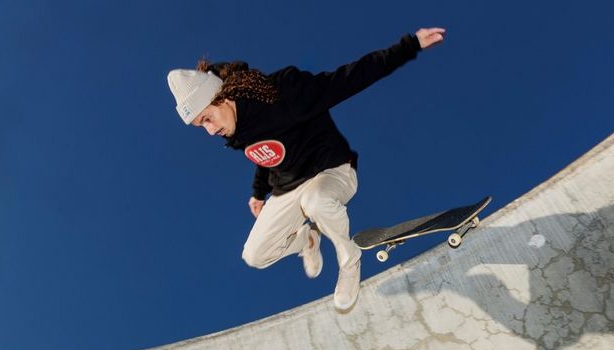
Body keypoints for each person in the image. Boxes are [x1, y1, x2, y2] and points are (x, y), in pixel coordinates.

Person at [167, 28, 445, 311]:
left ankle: (349, 260)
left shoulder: (284, 92)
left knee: (316, 201)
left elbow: (349, 79)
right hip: (289, 188)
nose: (210, 131)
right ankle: (307, 240)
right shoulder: (235, 130)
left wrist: (410, 45)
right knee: (254, 255)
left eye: (207, 119)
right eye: (201, 126)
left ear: (223, 97)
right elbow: (267, 152)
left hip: (331, 170)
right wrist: (259, 192)